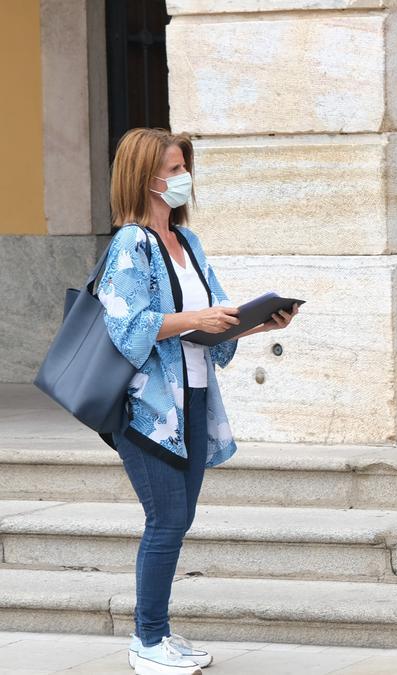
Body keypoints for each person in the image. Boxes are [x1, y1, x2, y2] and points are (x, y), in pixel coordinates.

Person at [100, 128, 299, 675]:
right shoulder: (130, 245)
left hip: (191, 400)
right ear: (145, 178)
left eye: (184, 165)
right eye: (172, 167)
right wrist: (196, 319)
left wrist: (257, 325)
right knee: (165, 518)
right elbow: (128, 327)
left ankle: (159, 632)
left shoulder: (187, 245)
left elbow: (213, 326)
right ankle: (146, 640)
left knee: (178, 518)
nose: (182, 176)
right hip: (146, 409)